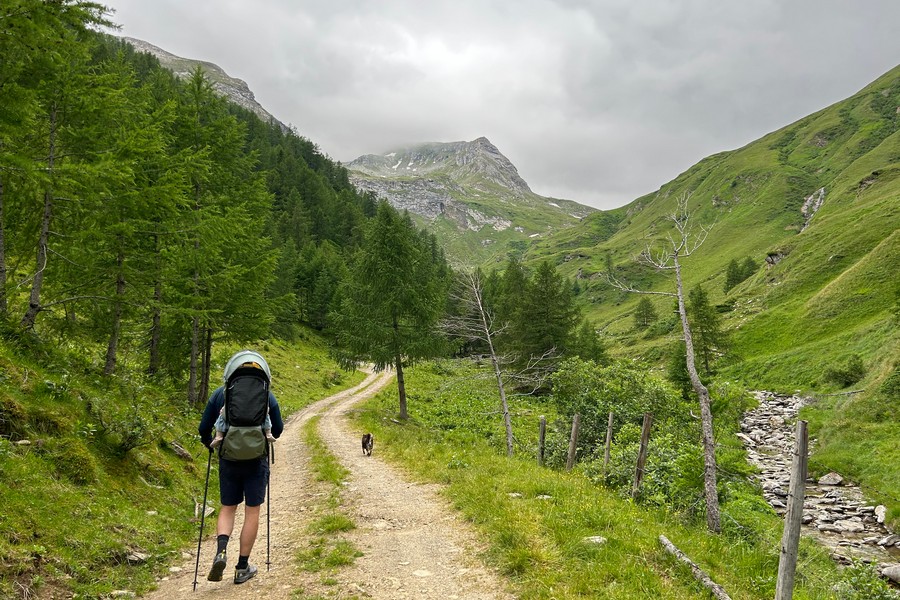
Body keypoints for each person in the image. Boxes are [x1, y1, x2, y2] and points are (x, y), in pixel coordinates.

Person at [199, 350, 283, 584]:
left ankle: (221, 551)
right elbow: (277, 429)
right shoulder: (268, 396)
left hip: (229, 459)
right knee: (252, 511)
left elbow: (203, 427)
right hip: (256, 461)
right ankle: (242, 567)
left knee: (228, 508)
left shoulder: (220, 394)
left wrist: (211, 444)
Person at [209, 404, 276, 449]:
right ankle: (268, 433)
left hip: (234, 406)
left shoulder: (232, 385)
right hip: (256, 407)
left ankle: (219, 436)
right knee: (265, 414)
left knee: (222, 414)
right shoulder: (260, 386)